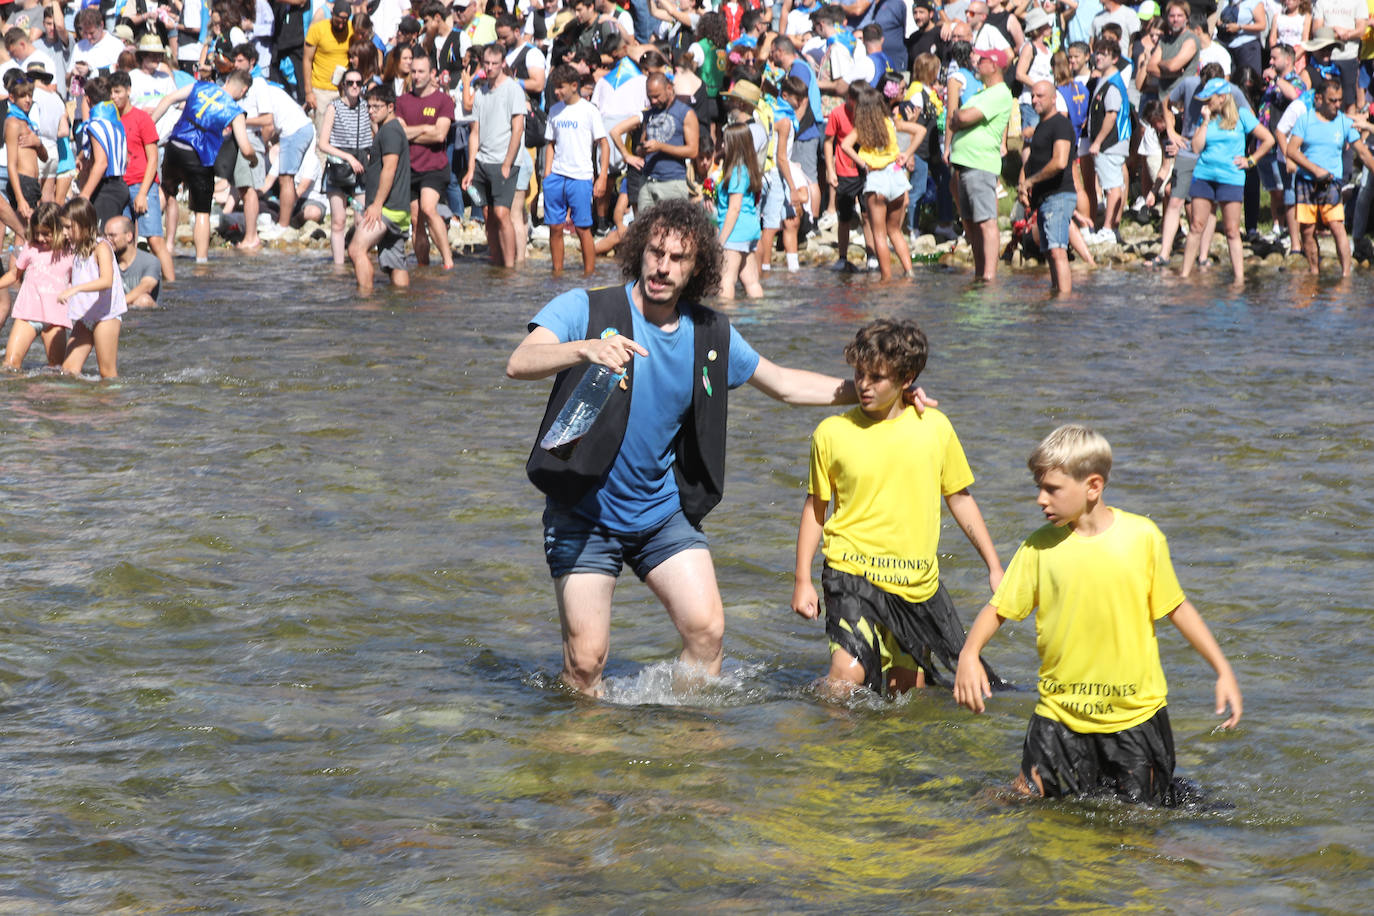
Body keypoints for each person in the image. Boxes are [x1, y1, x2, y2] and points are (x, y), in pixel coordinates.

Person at [505, 199, 932, 697]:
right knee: (584, 665)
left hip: (659, 515)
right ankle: (582, 754)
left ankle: (682, 749)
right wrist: (585, 349)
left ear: (698, 268)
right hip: (583, 513)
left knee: (707, 635)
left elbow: (785, 385)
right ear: (639, 250)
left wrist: (880, 392)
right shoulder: (587, 307)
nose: (662, 266)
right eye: (655, 252)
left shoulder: (710, 333)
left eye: (678, 258)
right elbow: (520, 361)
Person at [954, 424, 1243, 805]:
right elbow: (998, 609)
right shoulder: (1038, 549)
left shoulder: (1142, 538)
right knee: (1020, 802)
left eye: (1052, 489)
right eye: (1038, 487)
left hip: (1134, 718)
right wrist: (969, 653)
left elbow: (1177, 608)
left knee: (1137, 826)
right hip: (1059, 717)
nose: (1041, 499)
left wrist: (1222, 670)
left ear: (1093, 486)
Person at [792, 318, 1002, 698]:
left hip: (915, 584)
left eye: (877, 377)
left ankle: (888, 757)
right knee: (847, 676)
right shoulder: (832, 433)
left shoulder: (934, 427)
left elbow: (959, 498)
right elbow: (816, 508)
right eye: (859, 373)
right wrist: (802, 579)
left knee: (905, 692)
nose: (864, 385)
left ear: (907, 380)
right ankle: (824, 749)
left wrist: (993, 565)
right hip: (850, 572)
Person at [151, 72, 258, 262]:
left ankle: (144, 236)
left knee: (166, 192)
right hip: (199, 156)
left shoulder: (199, 86)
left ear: (226, 81)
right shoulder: (235, 110)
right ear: (243, 90)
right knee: (202, 211)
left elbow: (168, 99)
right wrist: (254, 160)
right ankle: (201, 262)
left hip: (175, 146)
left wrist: (150, 126)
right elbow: (245, 147)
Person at [1179, 77, 1274, 284]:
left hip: (1231, 178)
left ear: (1222, 98)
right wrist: (1204, 121)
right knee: (1196, 225)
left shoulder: (1242, 116)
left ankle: (1239, 279)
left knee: (1232, 230)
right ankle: (1184, 275)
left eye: (1209, 99)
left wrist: (1251, 160)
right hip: (1204, 176)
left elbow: (1268, 139)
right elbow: (1195, 148)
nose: (1205, 103)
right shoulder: (1206, 117)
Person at [1284, 80, 1374, 274]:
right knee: (1307, 231)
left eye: (1340, 100)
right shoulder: (1305, 120)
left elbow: (1364, 153)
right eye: (1332, 100)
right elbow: (1291, 150)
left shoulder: (1343, 122)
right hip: (1306, 182)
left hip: (1331, 183)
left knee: (1336, 226)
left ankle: (1346, 275)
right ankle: (1314, 273)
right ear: (1319, 98)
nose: (1337, 105)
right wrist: (1314, 169)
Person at [949, 46, 1014, 281]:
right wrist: (958, 118)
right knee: (971, 223)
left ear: (994, 65)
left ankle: (989, 276)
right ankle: (980, 273)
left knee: (986, 221)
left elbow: (961, 117)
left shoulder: (999, 92)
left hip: (980, 164)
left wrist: (959, 118)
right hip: (965, 165)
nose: (976, 62)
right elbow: (955, 119)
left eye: (982, 59)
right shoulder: (980, 93)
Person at [840, 83, 916, 281]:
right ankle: (909, 272)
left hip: (877, 180)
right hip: (897, 178)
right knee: (895, 231)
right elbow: (920, 131)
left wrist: (863, 163)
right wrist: (907, 154)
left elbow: (845, 145)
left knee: (879, 234)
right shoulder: (890, 122)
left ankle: (886, 279)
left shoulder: (862, 128)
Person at [108, 68, 174, 284]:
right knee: (126, 243)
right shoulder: (110, 119)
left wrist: (143, 193)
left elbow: (153, 159)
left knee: (155, 239)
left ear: (128, 91)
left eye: (118, 92)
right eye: (111, 92)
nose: (115, 97)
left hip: (141, 185)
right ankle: (131, 285)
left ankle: (171, 284)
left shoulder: (142, 119)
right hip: (120, 187)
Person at [463, 42, 526, 267]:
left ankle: (509, 268)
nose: (489, 67)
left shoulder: (513, 89)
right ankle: (497, 264)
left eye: (494, 64)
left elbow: (518, 129)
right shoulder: (480, 92)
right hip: (482, 161)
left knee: (502, 213)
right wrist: (470, 168)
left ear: (503, 64)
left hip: (504, 161)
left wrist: (508, 163)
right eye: (486, 63)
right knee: (488, 216)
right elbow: (474, 133)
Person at [543, 63, 609, 276]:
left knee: (582, 228)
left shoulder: (589, 110)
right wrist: (547, 174)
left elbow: (604, 144)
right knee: (554, 228)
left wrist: (602, 177)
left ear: (574, 85)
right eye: (554, 87)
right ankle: (557, 274)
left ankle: (589, 275)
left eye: (560, 87)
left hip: (580, 177)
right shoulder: (554, 110)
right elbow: (550, 144)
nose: (556, 91)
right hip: (556, 176)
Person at [348, 84, 411, 296]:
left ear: (390, 106)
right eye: (369, 107)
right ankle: (403, 303)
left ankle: (366, 301)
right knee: (395, 262)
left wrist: (376, 205)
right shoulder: (389, 129)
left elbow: (390, 169)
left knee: (356, 249)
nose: (371, 111)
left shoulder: (390, 132)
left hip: (387, 209)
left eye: (377, 107)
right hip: (398, 208)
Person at [395, 51, 454, 270]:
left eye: (421, 72)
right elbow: (400, 133)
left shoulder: (443, 100)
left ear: (432, 73)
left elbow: (440, 134)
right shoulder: (402, 101)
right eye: (413, 72)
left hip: (434, 166)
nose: (417, 76)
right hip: (409, 167)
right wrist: (423, 129)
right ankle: (423, 267)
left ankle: (448, 262)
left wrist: (412, 133)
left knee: (429, 209)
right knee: (416, 220)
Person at [1020, 81, 1080, 294]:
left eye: (1040, 96)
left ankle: (1064, 300)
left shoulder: (1060, 124)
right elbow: (1033, 161)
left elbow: (1060, 162)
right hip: (1044, 198)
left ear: (1054, 98)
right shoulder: (1041, 126)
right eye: (1033, 96)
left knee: (1057, 251)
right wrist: (1023, 185)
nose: (1034, 100)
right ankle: (1056, 295)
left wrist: (1031, 181)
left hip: (1059, 195)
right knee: (1049, 252)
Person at [57, 197, 125, 379]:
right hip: (86, 315)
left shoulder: (101, 247)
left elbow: (106, 281)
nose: (64, 232)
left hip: (106, 315)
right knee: (68, 371)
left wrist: (75, 289)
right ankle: (79, 406)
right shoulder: (78, 248)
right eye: (63, 227)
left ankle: (111, 406)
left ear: (84, 224)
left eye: (68, 227)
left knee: (107, 373)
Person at [0, 201, 71, 369]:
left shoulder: (70, 250)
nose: (40, 238)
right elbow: (14, 274)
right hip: (28, 314)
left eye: (46, 234)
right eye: (37, 233)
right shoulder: (31, 247)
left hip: (56, 318)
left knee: (57, 368)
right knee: (10, 364)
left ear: (59, 229)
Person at [318, 67, 373, 266]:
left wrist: (368, 155)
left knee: (361, 220)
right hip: (339, 169)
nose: (354, 87)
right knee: (338, 220)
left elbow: (373, 136)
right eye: (350, 83)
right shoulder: (334, 107)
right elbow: (323, 143)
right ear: (343, 85)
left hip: (361, 170)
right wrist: (349, 158)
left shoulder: (367, 108)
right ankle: (339, 265)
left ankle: (359, 258)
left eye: (358, 83)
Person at [1086, 38, 1131, 243]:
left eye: (1104, 54)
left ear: (1114, 58)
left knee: (1112, 187)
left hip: (1111, 143)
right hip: (1109, 143)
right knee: (1111, 185)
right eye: (1097, 52)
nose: (1099, 56)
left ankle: (1107, 229)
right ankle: (1111, 228)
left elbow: (1111, 116)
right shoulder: (1103, 80)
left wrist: (1098, 142)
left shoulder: (1113, 83)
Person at [715, 121, 763, 299]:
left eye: (725, 142)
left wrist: (721, 241)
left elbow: (734, 209)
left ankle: (727, 320)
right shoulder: (748, 170)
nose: (721, 145)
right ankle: (759, 318)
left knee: (725, 280)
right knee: (751, 281)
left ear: (735, 145)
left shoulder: (737, 172)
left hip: (735, 232)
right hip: (750, 230)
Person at [76, 77, 131, 227]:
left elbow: (102, 163)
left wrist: (85, 195)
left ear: (87, 99)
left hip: (107, 189)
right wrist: (81, 156)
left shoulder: (95, 125)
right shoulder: (115, 123)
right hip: (120, 185)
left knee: (100, 240)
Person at [3, 74, 46, 222]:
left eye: (30, 95)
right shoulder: (13, 123)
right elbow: (11, 164)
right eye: (23, 96)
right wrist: (20, 198)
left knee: (30, 231)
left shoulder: (26, 122)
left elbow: (45, 157)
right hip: (23, 182)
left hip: (32, 183)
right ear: (12, 98)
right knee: (25, 231)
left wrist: (38, 143)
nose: (28, 100)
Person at [104, 214, 160, 308]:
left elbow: (147, 286)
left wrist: (117, 305)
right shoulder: (106, 261)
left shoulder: (150, 261)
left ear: (129, 236)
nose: (107, 240)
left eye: (112, 235)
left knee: (144, 300)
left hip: (146, 317)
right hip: (119, 311)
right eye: (106, 236)